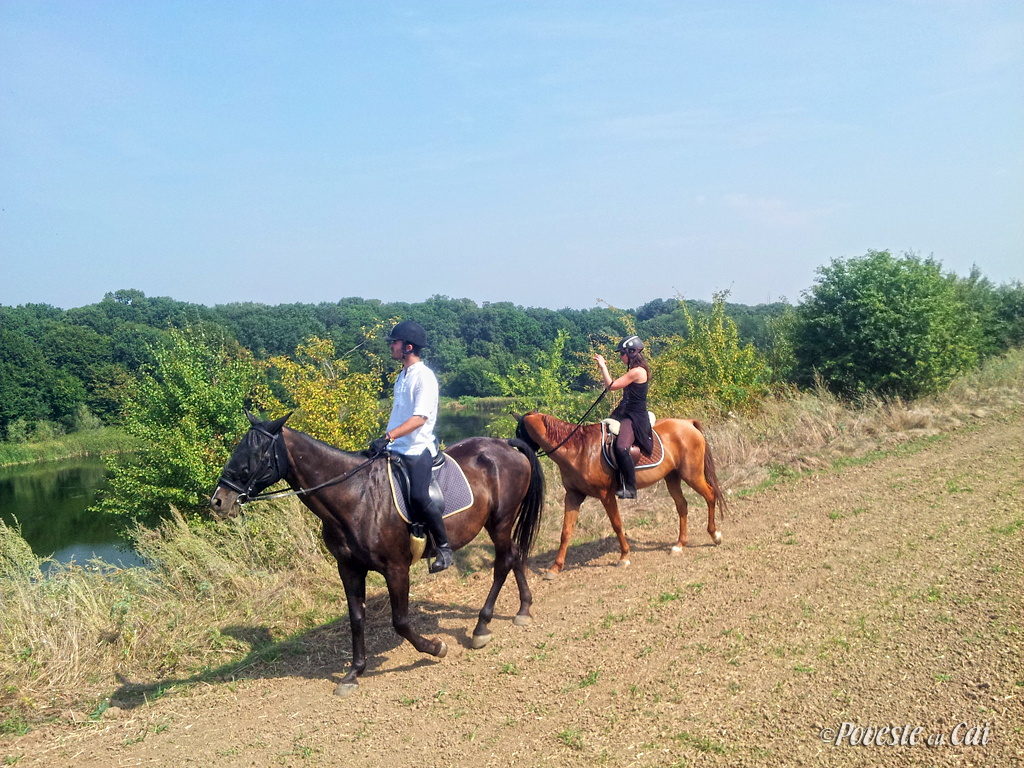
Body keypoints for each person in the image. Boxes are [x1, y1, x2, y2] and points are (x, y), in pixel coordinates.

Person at [368, 320, 453, 572]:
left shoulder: (424, 377)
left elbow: (419, 418)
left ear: (408, 346)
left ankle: (445, 548)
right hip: (395, 447)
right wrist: (385, 440)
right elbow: (399, 414)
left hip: (417, 449)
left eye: (394, 343)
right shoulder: (401, 376)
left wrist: (388, 437)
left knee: (418, 495)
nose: (391, 346)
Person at [595, 335, 652, 499]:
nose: (620, 357)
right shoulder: (634, 370)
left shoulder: (637, 371)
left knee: (622, 447)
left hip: (634, 416)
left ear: (631, 352)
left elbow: (611, 386)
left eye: (622, 353)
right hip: (624, 412)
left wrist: (603, 367)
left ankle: (631, 487)